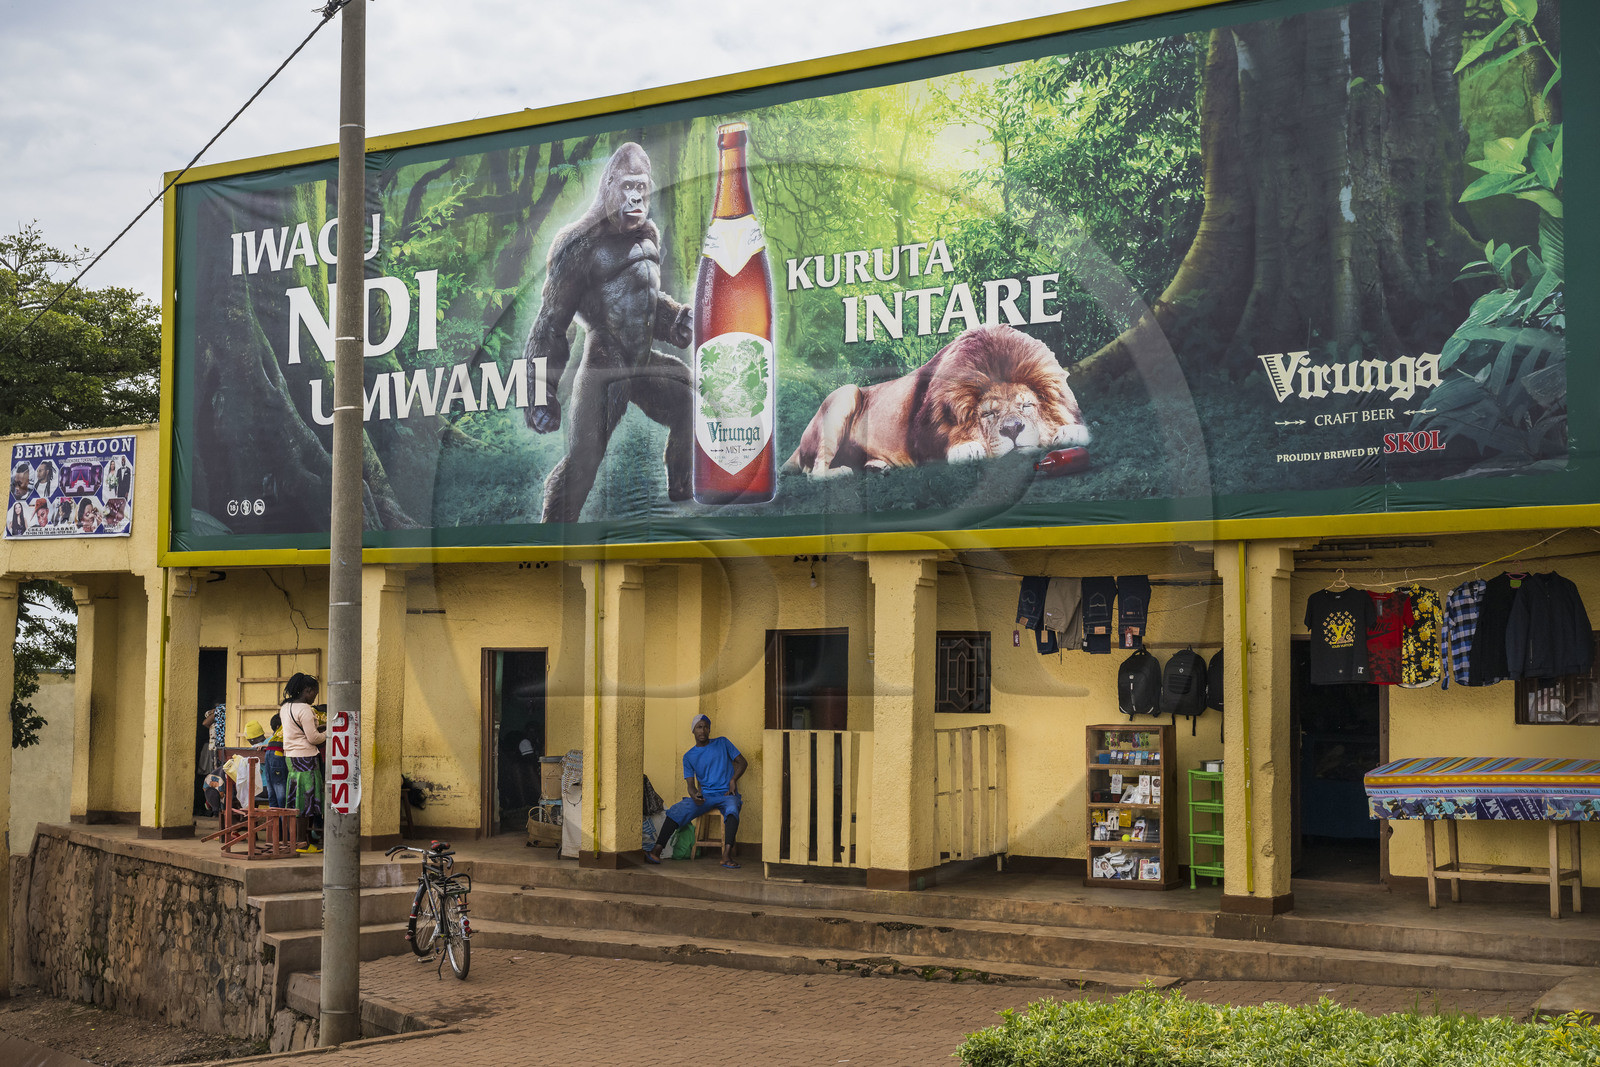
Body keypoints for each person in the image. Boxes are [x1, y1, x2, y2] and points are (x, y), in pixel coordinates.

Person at [645, 713, 747, 869]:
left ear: (709, 729)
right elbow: (691, 786)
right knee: (676, 810)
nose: (703, 730)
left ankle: (726, 856)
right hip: (705, 796)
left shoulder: (723, 742)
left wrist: (733, 780)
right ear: (693, 730)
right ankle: (656, 851)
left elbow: (743, 762)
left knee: (733, 808)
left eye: (706, 727)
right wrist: (695, 795)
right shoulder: (689, 757)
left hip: (727, 794)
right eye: (699, 727)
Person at [280, 672, 325, 854]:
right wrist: (328, 733)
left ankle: (296, 841)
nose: (315, 697)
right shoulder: (305, 709)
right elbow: (313, 738)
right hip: (306, 758)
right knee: (307, 801)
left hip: (291, 758)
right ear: (307, 690)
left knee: (296, 800)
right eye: (314, 693)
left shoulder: (285, 707)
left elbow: (298, 732)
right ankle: (302, 843)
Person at [261, 712, 289, 809]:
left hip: (269, 753)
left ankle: (274, 818)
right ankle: (282, 817)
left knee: (272, 790)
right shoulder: (285, 728)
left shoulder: (273, 737)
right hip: (277, 754)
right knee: (280, 788)